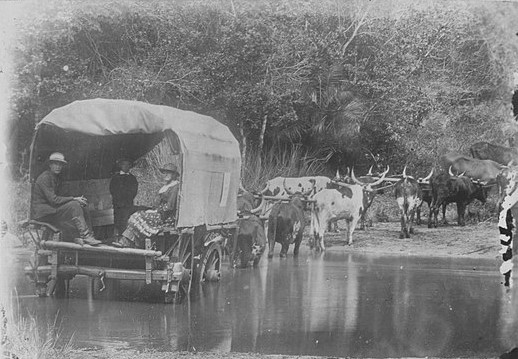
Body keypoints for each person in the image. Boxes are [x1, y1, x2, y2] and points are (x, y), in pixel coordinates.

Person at [31, 152, 102, 246]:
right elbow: (54, 200)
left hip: (52, 210)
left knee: (82, 205)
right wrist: (74, 199)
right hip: (44, 213)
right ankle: (85, 235)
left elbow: (62, 197)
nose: (58, 167)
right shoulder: (45, 177)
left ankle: (89, 236)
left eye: (60, 164)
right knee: (74, 205)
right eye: (55, 164)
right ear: (50, 165)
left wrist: (77, 199)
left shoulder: (56, 178)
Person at [113, 163, 180, 248]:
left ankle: (128, 242)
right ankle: (127, 241)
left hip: (167, 217)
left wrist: (155, 211)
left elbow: (169, 207)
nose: (166, 174)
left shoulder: (175, 187)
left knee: (138, 216)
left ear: (174, 175)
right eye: (164, 172)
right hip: (161, 214)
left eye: (169, 172)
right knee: (136, 214)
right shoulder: (167, 186)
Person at [109, 158, 138, 236]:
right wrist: (117, 199)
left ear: (130, 166)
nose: (125, 166)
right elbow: (112, 190)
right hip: (117, 204)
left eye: (127, 165)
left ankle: (125, 238)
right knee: (117, 220)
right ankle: (117, 238)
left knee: (126, 220)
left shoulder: (132, 178)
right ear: (120, 166)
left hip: (128, 204)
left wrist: (128, 198)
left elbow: (134, 191)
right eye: (123, 164)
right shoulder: (115, 178)